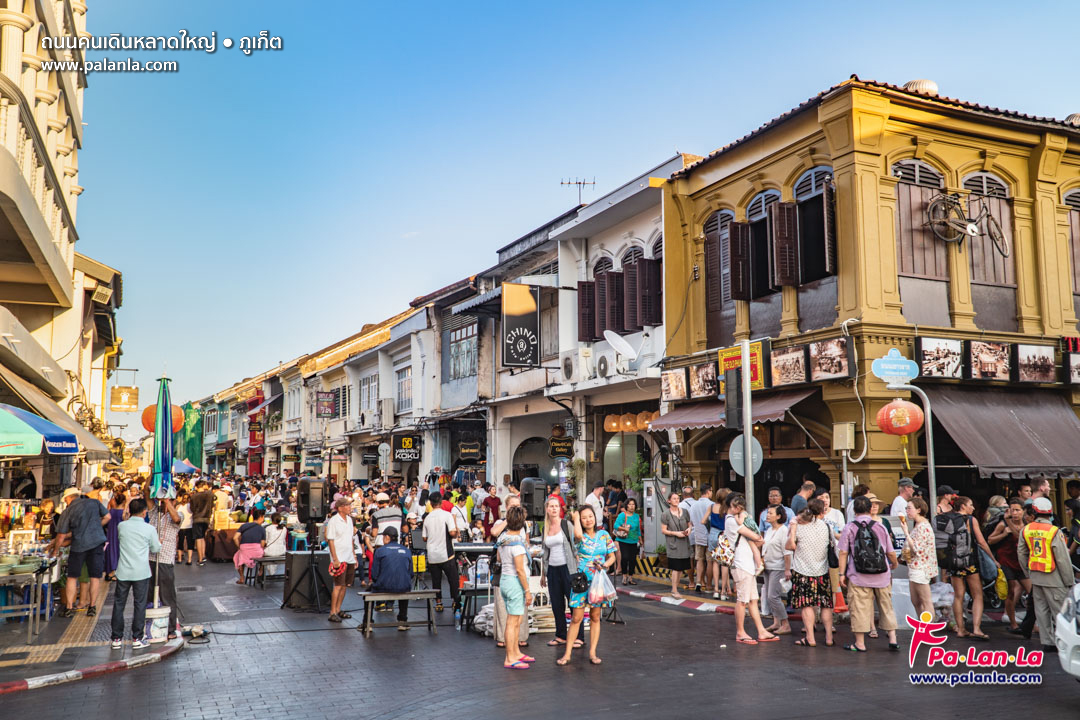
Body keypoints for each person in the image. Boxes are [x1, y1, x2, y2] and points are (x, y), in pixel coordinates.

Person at [837, 495, 899, 652]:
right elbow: (890, 552)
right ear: (870, 508)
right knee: (886, 606)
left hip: (858, 575)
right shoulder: (880, 527)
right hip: (882, 574)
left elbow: (843, 553)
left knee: (859, 608)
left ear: (854, 510)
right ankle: (892, 638)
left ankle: (860, 643)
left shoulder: (849, 527)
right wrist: (894, 563)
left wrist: (841, 573)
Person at [557, 506, 616, 666]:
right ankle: (567, 654)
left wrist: (604, 565)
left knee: (596, 617)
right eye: (584, 517)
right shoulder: (579, 535)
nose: (588, 519)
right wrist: (575, 518)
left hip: (598, 581)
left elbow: (612, 556)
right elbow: (576, 535)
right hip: (581, 582)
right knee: (576, 618)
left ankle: (593, 652)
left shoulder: (604, 535)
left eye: (590, 516)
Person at [1018, 497, 1075, 652]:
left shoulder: (1026, 530)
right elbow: (1062, 559)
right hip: (1054, 577)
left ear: (1034, 512)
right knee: (1061, 611)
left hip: (1036, 576)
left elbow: (1022, 555)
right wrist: (1069, 581)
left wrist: (1028, 573)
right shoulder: (1054, 531)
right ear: (1050, 512)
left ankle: (1048, 642)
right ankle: (1065, 641)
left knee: (1041, 610)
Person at [725, 493, 778, 645]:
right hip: (741, 564)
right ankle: (740, 632)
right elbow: (754, 536)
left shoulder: (737, 519)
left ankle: (761, 631)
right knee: (742, 600)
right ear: (731, 506)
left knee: (753, 600)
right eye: (736, 507)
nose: (738, 510)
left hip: (748, 565)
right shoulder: (731, 521)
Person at [940, 496, 996, 639]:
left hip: (954, 562)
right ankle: (976, 628)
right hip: (969, 561)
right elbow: (981, 541)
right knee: (977, 595)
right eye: (970, 505)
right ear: (963, 506)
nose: (973, 508)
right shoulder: (971, 520)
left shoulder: (947, 519)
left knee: (958, 596)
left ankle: (960, 629)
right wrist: (993, 559)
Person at [110, 498, 161, 649]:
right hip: (141, 571)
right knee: (139, 604)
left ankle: (116, 638)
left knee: (119, 604)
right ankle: (137, 637)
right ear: (144, 511)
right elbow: (155, 548)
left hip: (123, 571)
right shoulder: (149, 529)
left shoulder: (122, 526)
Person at [53, 486, 109, 618]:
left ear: (68, 498)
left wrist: (55, 550)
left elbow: (61, 535)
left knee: (72, 577)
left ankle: (69, 608)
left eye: (65, 500)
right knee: (95, 577)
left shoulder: (68, 511)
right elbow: (108, 517)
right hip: (97, 543)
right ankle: (92, 606)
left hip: (79, 546)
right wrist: (95, 526)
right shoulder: (94, 502)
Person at [786, 498, 834, 647]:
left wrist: (793, 528)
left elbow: (789, 546)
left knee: (807, 605)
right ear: (821, 512)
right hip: (822, 571)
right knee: (825, 605)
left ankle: (810, 638)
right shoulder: (826, 527)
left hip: (803, 571)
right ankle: (829, 638)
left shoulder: (800, 527)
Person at [490, 495, 530, 648]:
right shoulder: (501, 523)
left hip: (520, 566)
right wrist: (510, 519)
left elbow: (527, 542)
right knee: (503, 606)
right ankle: (503, 638)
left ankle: (520, 636)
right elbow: (494, 533)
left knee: (520, 610)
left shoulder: (524, 525)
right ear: (506, 508)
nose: (516, 509)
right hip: (506, 571)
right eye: (513, 506)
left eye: (518, 506)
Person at [496, 506, 533, 670]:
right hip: (514, 582)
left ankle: (516, 652)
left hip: (505, 579)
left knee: (516, 619)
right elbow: (519, 570)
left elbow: (498, 558)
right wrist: (527, 590)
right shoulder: (517, 544)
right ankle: (510, 657)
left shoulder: (503, 538)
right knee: (512, 621)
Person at [541, 496, 579, 649]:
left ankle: (578, 637)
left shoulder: (566, 524)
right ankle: (561, 635)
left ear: (560, 509)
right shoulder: (545, 527)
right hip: (552, 570)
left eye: (556, 506)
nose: (554, 508)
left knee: (574, 603)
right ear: (547, 509)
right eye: (551, 506)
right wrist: (544, 574)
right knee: (557, 605)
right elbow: (545, 552)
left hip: (567, 569)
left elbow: (575, 543)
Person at [987, 497, 1030, 632]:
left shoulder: (1026, 524)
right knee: (1010, 592)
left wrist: (1008, 523)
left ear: (1023, 511)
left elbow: (1020, 537)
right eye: (1013, 510)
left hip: (1021, 562)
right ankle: (1013, 623)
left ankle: (1031, 623)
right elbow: (990, 540)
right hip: (1006, 561)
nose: (1015, 513)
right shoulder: (1003, 525)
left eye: (1017, 510)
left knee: (1033, 593)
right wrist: (1004, 533)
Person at [898, 497, 937, 622]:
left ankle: (927, 627)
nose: (907, 511)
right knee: (915, 600)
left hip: (921, 567)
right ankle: (923, 625)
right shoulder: (918, 525)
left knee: (925, 600)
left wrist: (906, 533)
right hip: (915, 566)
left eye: (909, 508)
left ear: (919, 510)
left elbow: (916, 548)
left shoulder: (923, 527)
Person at [148, 497, 182, 640]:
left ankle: (170, 628)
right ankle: (148, 625)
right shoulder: (155, 512)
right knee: (149, 595)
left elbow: (176, 519)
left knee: (167, 596)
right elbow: (147, 496)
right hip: (150, 558)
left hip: (165, 560)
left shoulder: (178, 515)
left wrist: (167, 500)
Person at [422, 491, 459, 613]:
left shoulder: (427, 518)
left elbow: (424, 538)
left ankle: (439, 603)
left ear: (431, 504)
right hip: (446, 554)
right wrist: (456, 532)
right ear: (441, 502)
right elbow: (453, 533)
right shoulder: (447, 515)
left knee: (435, 580)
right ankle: (455, 601)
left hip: (432, 554)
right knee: (453, 579)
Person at [368, 526, 412, 631]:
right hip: (404, 586)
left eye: (383, 537)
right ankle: (402, 620)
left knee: (368, 591)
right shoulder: (406, 550)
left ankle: (368, 621)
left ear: (387, 537)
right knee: (404, 586)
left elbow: (374, 574)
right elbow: (411, 573)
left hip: (384, 586)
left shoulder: (379, 551)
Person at [761, 505, 792, 636]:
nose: (767, 515)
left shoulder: (784, 531)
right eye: (767, 513)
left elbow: (787, 553)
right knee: (769, 596)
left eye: (770, 513)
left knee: (773, 596)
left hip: (778, 567)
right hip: (767, 566)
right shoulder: (769, 530)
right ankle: (776, 622)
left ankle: (785, 624)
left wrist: (787, 569)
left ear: (779, 516)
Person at [325, 498, 357, 623]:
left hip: (348, 556)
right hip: (339, 557)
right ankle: (332, 611)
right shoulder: (333, 521)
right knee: (338, 585)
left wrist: (354, 556)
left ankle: (338, 609)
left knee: (345, 585)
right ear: (340, 507)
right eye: (347, 505)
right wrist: (335, 558)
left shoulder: (349, 520)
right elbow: (331, 540)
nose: (349, 507)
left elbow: (350, 539)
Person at [660, 491, 692, 599]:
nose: (676, 500)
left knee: (681, 568)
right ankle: (674, 589)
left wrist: (689, 530)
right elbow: (663, 530)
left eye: (678, 498)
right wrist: (676, 533)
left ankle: (676, 588)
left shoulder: (685, 512)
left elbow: (689, 524)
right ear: (669, 501)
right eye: (674, 498)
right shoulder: (665, 514)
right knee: (676, 567)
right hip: (673, 543)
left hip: (684, 542)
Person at [707, 488, 732, 600]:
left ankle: (716, 589)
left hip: (712, 534)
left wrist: (711, 526)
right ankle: (723, 592)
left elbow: (703, 521)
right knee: (724, 563)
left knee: (715, 562)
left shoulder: (712, 507)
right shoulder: (728, 509)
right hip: (724, 536)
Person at [231, 508, 267, 585]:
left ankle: (241, 577)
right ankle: (260, 572)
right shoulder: (262, 529)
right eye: (263, 517)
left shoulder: (244, 526)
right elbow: (262, 544)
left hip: (244, 549)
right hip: (257, 551)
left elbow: (235, 538)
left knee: (239, 557)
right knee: (265, 556)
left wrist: (239, 547)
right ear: (260, 517)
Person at [688, 487, 713, 593]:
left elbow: (691, 521)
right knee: (710, 561)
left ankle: (698, 582)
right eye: (711, 491)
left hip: (698, 536)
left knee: (699, 560)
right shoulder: (711, 505)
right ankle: (708, 585)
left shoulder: (693, 506)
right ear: (708, 491)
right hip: (709, 536)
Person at [613, 499, 641, 585]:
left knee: (633, 560)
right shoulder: (622, 515)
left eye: (633, 504)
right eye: (630, 504)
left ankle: (630, 578)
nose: (632, 506)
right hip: (623, 540)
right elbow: (616, 525)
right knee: (624, 558)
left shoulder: (636, 516)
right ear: (627, 506)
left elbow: (638, 529)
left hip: (634, 540)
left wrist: (641, 539)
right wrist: (624, 529)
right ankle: (624, 576)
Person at [190, 480, 214, 566]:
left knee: (198, 538)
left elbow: (192, 509)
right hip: (206, 518)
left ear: (196, 487)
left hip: (197, 518)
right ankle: (203, 556)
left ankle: (200, 559)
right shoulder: (210, 495)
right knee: (203, 537)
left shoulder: (194, 496)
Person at [104, 491, 126, 581]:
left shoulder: (111, 511)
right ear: (124, 501)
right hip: (120, 535)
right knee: (119, 551)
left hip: (110, 534)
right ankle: (116, 572)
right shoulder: (123, 514)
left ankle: (110, 571)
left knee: (111, 551)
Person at [175, 492, 194, 565]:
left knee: (180, 543)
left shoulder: (178, 506)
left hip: (181, 527)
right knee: (190, 543)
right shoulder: (190, 506)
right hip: (189, 526)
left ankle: (179, 559)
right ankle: (189, 559)